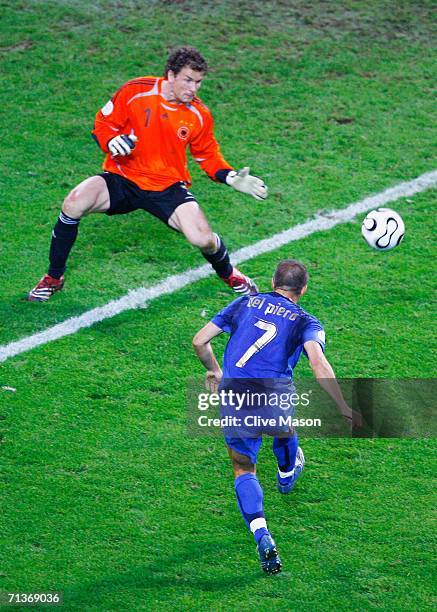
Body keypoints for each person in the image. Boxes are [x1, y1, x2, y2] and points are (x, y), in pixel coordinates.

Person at [28, 46, 267, 301]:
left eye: (198, 82)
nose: (193, 89)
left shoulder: (199, 115)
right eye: (188, 80)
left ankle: (229, 273)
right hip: (123, 177)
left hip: (167, 187)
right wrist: (110, 141)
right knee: (73, 203)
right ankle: (54, 278)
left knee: (203, 239)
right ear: (171, 75)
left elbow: (207, 155)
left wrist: (229, 176)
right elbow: (104, 123)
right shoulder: (136, 91)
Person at [192, 259, 361, 574]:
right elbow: (318, 363)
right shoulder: (306, 321)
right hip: (273, 397)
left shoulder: (245, 302)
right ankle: (286, 471)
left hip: (235, 396)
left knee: (244, 469)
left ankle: (262, 533)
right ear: (303, 289)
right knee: (284, 426)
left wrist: (215, 371)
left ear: (273, 281)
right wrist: (342, 405)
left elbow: (199, 340)